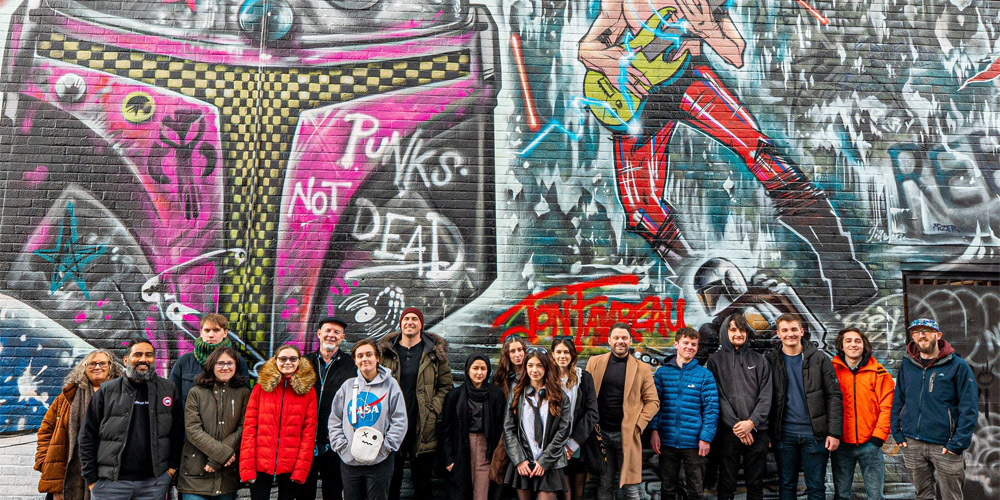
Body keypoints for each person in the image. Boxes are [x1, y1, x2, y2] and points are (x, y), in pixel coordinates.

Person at [576, 0, 875, 310]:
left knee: (760, 152)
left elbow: (735, 53)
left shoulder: (708, 4)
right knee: (640, 210)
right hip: (630, 101)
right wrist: (611, 64)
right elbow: (586, 48)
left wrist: (706, 28)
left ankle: (842, 268)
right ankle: (703, 293)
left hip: (686, 78)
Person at [79, 338, 184, 499]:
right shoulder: (107, 391)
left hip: (153, 484)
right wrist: (92, 479)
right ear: (126, 360)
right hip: (110, 484)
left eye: (149, 355)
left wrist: (170, 471)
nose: (143, 359)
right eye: (138, 354)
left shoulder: (168, 389)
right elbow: (87, 435)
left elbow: (177, 432)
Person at [890, 318, 979, 500]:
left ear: (938, 335)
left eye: (926, 331)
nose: (921, 335)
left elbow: (969, 408)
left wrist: (957, 444)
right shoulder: (908, 364)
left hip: (945, 445)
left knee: (951, 497)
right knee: (922, 496)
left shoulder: (957, 366)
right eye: (916, 332)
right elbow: (898, 399)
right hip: (912, 443)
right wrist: (898, 433)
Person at [377, 307, 453, 500]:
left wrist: (432, 409)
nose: (410, 322)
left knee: (422, 483)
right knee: (391, 481)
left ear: (421, 324)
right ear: (401, 323)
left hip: (424, 426)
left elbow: (446, 386)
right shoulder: (386, 353)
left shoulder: (434, 353)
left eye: (414, 319)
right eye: (406, 318)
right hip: (391, 426)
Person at [764, 313, 842, 500]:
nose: (789, 334)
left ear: (801, 331)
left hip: (815, 434)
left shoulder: (819, 358)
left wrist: (834, 432)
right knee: (787, 484)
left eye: (793, 329)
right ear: (778, 333)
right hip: (784, 434)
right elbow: (764, 398)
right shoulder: (770, 360)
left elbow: (833, 396)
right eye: (784, 330)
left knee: (815, 486)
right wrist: (766, 432)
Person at [35, 349, 123, 500]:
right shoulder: (66, 398)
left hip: (109, 476)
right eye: (92, 364)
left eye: (102, 363)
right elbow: (45, 432)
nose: (97, 367)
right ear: (84, 368)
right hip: (68, 474)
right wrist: (45, 464)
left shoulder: (123, 396)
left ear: (111, 367)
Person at [585, 322, 659, 500]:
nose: (620, 341)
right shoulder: (594, 363)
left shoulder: (641, 368)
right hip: (600, 435)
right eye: (616, 338)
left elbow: (653, 401)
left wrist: (638, 425)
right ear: (609, 340)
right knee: (604, 484)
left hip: (627, 435)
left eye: (624, 338)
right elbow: (584, 396)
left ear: (630, 341)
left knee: (631, 488)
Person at [329, 338, 408, 500]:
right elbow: (334, 419)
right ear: (355, 361)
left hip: (380, 461)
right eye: (360, 356)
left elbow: (399, 420)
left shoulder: (390, 385)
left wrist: (385, 448)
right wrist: (342, 447)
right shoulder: (347, 386)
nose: (364, 359)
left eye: (369, 354)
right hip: (350, 460)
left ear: (377, 357)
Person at [705, 313, 772, 500]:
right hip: (728, 432)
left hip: (758, 431)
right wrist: (739, 427)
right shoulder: (715, 361)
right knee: (726, 484)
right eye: (733, 329)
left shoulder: (760, 360)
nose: (738, 334)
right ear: (726, 332)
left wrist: (751, 423)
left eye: (742, 329)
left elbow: (766, 396)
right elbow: (718, 396)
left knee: (755, 484)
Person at [240, 345, 318, 500]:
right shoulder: (261, 388)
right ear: (275, 361)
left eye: (292, 359)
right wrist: (247, 468)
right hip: (259, 463)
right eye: (283, 358)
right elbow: (249, 428)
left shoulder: (308, 391)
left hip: (291, 465)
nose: (287, 362)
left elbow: (309, 434)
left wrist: (301, 470)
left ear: (299, 361)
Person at [650, 327, 718, 500]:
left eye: (694, 344)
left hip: (694, 443)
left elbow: (711, 409)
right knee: (668, 489)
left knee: (695, 491)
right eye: (686, 343)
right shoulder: (662, 373)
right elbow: (655, 405)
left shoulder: (704, 375)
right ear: (676, 344)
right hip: (667, 441)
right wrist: (654, 431)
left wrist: (706, 438)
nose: (690, 347)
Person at [177, 347, 252, 500]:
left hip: (227, 476)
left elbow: (244, 428)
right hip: (195, 473)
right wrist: (222, 455)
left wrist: (216, 461)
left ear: (236, 366)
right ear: (212, 365)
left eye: (230, 363)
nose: (225, 367)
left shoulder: (244, 394)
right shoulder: (196, 392)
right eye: (220, 363)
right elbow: (193, 430)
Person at [830, 327, 894, 500]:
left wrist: (878, 438)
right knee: (841, 495)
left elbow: (887, 407)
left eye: (857, 341)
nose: (853, 344)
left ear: (864, 345)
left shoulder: (879, 372)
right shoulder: (831, 371)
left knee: (875, 496)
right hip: (841, 444)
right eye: (848, 341)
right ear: (841, 346)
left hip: (870, 445)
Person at [503, 348, 572, 500]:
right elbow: (508, 428)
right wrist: (519, 459)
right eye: (530, 365)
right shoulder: (517, 394)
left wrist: (545, 461)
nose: (534, 370)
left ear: (547, 367)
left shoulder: (559, 396)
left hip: (550, 462)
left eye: (540, 365)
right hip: (524, 461)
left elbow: (564, 431)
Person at [302, 316, 357, 500]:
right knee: (304, 493)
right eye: (327, 331)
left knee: (333, 493)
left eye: (336, 332)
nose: (331, 335)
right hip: (306, 443)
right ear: (319, 334)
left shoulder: (351, 365)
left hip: (335, 443)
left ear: (342, 337)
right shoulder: (304, 363)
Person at [437, 354, 506, 500]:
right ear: (468, 370)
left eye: (483, 368)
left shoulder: (496, 394)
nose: (479, 372)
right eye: (475, 368)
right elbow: (445, 430)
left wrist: (498, 456)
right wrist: (449, 459)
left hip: (486, 448)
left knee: (482, 493)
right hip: (461, 448)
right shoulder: (454, 396)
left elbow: (502, 427)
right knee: (461, 492)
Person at [169, 313, 250, 413]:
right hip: (189, 425)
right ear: (201, 333)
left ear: (225, 333)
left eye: (216, 330)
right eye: (207, 330)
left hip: (225, 425)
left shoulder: (236, 362)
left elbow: (245, 398)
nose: (211, 335)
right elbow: (173, 395)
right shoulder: (185, 361)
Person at [550, 337, 599, 500]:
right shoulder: (547, 380)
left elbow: (592, 413)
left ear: (572, 355)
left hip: (579, 445)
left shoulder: (584, 378)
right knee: (565, 495)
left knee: (578, 494)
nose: (562, 356)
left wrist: (572, 445)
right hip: (555, 446)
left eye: (566, 352)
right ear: (552, 354)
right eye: (558, 352)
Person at [494, 334, 527, 399]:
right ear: (507, 354)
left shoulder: (530, 374)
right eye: (512, 351)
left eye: (520, 350)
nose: (517, 355)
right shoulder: (499, 376)